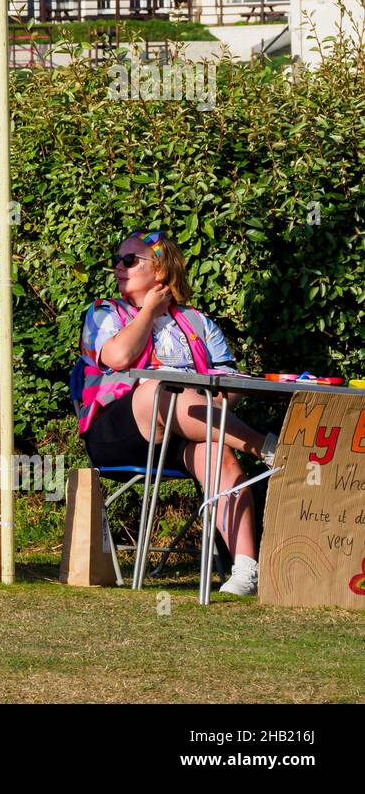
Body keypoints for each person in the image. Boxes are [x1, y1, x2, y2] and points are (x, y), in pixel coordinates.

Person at [77, 229, 277, 596]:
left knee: (218, 455)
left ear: (161, 271)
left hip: (186, 432)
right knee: (157, 389)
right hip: (119, 433)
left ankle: (247, 570)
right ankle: (266, 447)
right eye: (118, 260)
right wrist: (149, 312)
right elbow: (118, 357)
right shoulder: (104, 312)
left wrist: (217, 405)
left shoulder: (198, 323)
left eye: (130, 260)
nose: (119, 267)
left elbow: (230, 383)